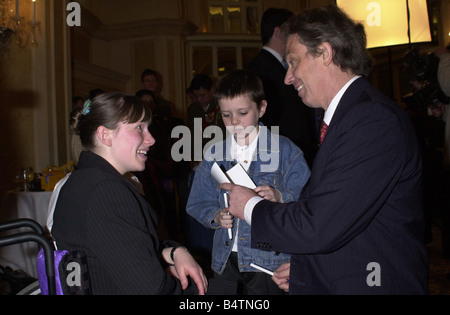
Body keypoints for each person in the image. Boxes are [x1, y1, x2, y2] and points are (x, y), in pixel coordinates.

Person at [221, 5, 429, 295]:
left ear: (325, 53)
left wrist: (250, 206)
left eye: (293, 62)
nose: (287, 77)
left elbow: (318, 226)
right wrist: (310, 270)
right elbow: (344, 219)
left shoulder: (370, 119)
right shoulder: (352, 116)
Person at [51, 93, 208, 295]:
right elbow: (152, 290)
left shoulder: (80, 181)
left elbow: (125, 250)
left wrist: (174, 251)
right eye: (139, 128)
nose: (151, 139)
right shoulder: (106, 191)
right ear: (105, 135)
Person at [187, 70, 310, 294]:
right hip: (226, 260)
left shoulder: (285, 151)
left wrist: (281, 197)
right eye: (226, 115)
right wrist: (216, 215)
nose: (234, 122)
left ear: (261, 108)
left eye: (242, 113)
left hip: (269, 262)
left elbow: (309, 202)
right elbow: (197, 202)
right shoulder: (215, 153)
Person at [246, 7, 318, 167]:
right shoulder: (259, 68)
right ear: (278, 31)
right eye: (292, 30)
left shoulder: (280, 64)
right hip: (283, 156)